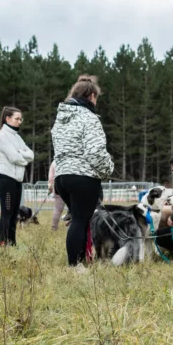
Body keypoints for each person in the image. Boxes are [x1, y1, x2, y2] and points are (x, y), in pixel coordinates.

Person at [51, 75, 114, 267]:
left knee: (80, 219)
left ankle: (82, 259)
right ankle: (75, 265)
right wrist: (108, 168)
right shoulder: (89, 118)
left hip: (62, 177)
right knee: (80, 220)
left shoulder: (60, 120)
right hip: (83, 177)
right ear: (92, 96)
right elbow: (95, 152)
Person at [0, 106, 34, 246]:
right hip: (6, 179)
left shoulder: (17, 137)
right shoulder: (2, 136)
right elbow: (13, 157)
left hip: (17, 180)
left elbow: (31, 155)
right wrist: (22, 158)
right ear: (8, 119)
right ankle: (3, 243)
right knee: (7, 212)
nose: (19, 121)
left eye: (20, 119)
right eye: (17, 119)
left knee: (15, 213)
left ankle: (12, 243)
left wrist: (19, 154)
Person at [48, 160, 66, 231]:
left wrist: (50, 187)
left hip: (58, 185)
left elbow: (51, 177)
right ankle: (72, 227)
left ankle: (54, 228)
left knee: (57, 209)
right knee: (73, 209)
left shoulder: (54, 161)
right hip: (71, 185)